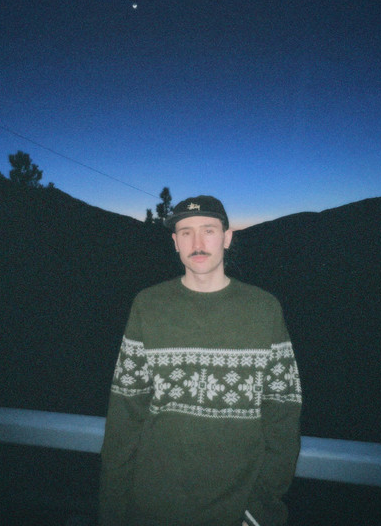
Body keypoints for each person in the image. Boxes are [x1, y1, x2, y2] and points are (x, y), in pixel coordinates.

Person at [99, 196, 302, 526]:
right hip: (150, 510)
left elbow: (283, 415)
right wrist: (112, 511)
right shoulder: (148, 305)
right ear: (175, 243)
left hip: (235, 513)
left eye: (208, 230)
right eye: (186, 232)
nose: (197, 243)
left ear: (227, 237)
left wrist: (260, 510)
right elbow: (125, 414)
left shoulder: (264, 309)